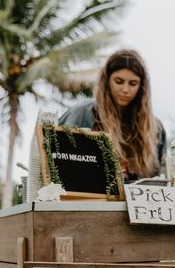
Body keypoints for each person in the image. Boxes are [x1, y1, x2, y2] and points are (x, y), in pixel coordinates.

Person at [59, 49, 166, 180]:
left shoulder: (155, 127)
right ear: (107, 80)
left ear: (142, 86)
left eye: (133, 83)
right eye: (119, 81)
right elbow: (56, 163)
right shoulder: (82, 114)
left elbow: (161, 177)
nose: (125, 90)